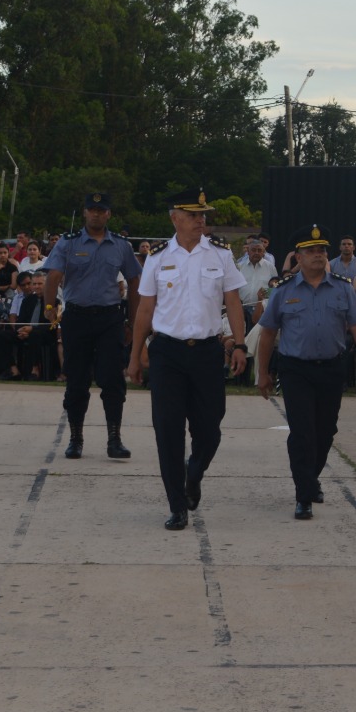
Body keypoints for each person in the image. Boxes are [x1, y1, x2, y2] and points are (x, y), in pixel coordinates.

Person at [127, 187, 248, 531]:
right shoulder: (157, 256)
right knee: (167, 430)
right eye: (193, 215)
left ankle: (193, 473)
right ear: (175, 218)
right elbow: (145, 310)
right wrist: (135, 355)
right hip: (167, 352)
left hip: (208, 351)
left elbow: (233, 301)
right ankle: (177, 505)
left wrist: (240, 345)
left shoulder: (220, 254)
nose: (200, 221)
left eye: (202, 215)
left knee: (210, 429)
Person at [255, 224, 356, 521]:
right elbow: (267, 333)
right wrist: (263, 373)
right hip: (296, 369)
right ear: (298, 257)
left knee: (325, 430)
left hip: (332, 368)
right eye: (312, 251)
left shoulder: (343, 288)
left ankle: (311, 478)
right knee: (302, 432)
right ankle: (304, 494)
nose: (319, 255)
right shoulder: (284, 291)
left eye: (322, 250)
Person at [43, 192, 144, 460]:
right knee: (77, 380)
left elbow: (135, 281)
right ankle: (75, 438)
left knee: (112, 379)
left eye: (101, 210)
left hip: (110, 318)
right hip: (77, 317)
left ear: (108, 214)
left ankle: (114, 438)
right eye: (92, 210)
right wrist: (50, 306)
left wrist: (133, 321)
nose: (96, 214)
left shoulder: (121, 245)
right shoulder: (68, 242)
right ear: (85, 212)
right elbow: (53, 275)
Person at [236, 236, 277, 328]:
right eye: (253, 250)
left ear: (263, 252)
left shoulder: (270, 267)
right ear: (248, 251)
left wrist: (264, 295)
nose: (256, 253)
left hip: (261, 310)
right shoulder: (239, 267)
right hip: (241, 309)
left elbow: (275, 288)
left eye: (259, 250)